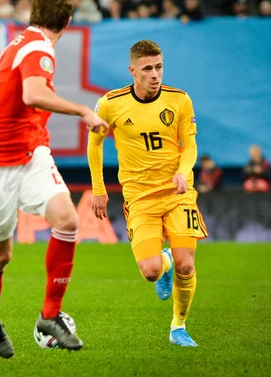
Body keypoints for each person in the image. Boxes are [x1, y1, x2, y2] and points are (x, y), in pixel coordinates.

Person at [0, 0, 108, 359]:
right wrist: (84, 111)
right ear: (68, 21)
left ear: (33, 13)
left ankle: (50, 315)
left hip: (30, 152)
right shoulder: (39, 48)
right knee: (1, 254)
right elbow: (32, 94)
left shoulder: (19, 42)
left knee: (67, 219)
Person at [88, 40, 206, 347]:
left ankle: (178, 327)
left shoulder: (179, 100)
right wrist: (99, 190)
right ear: (132, 71)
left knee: (187, 265)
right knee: (151, 271)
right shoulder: (111, 104)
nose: (155, 75)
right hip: (139, 197)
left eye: (159, 67)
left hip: (178, 192)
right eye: (147, 69)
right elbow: (95, 144)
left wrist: (183, 171)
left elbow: (190, 145)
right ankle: (163, 260)